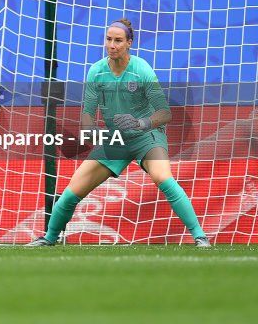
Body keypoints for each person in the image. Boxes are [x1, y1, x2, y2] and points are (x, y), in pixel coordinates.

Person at [28, 19, 212, 248]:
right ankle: (49, 238)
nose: (112, 45)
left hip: (147, 137)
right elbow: (87, 113)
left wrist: (140, 122)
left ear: (129, 43)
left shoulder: (141, 69)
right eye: (108, 39)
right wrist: (88, 132)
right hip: (115, 140)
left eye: (118, 40)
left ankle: (200, 236)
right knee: (71, 193)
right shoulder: (96, 71)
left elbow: (164, 114)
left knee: (164, 179)